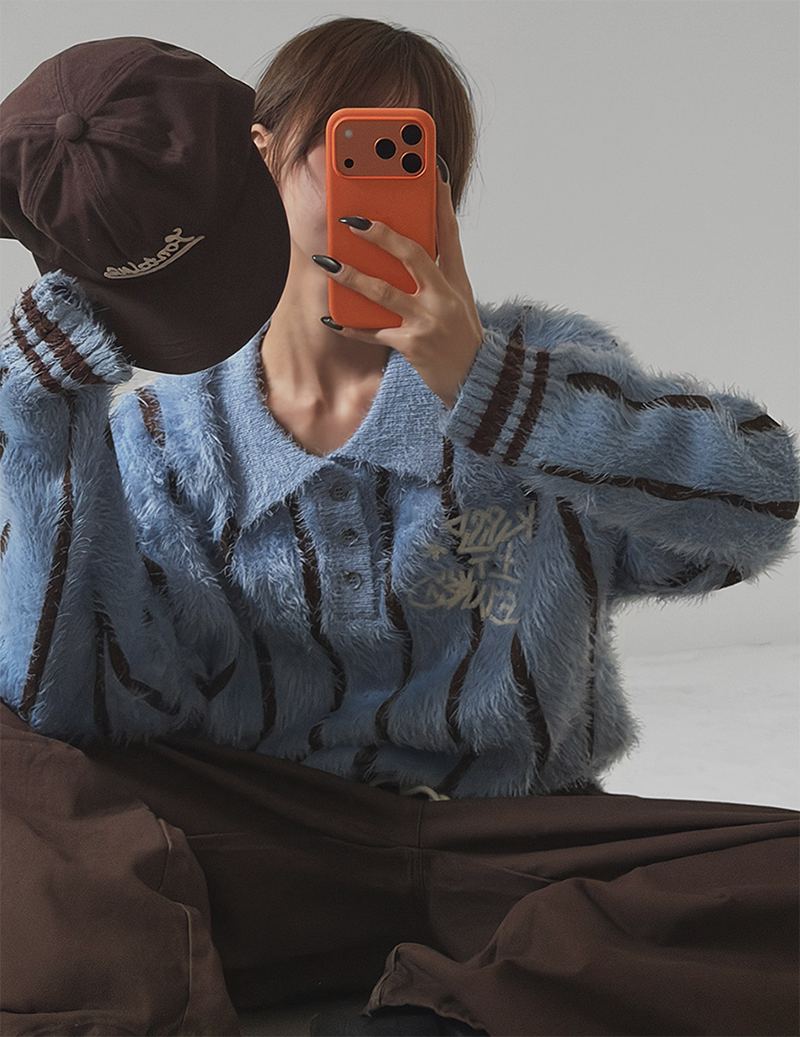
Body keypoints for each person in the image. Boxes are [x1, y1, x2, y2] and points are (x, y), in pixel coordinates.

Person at [0, 17, 799, 1037]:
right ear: (260, 159)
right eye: (351, 148)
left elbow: (759, 505)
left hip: (521, 845)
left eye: (419, 160)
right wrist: (42, 421)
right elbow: (77, 713)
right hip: (269, 849)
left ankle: (451, 1011)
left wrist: (494, 388)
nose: (383, 189)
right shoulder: (165, 440)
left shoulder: (540, 371)